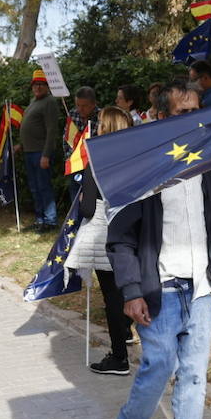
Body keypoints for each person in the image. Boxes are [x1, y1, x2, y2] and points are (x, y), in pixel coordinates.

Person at [107, 79, 211, 419]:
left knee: (194, 374)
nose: (192, 119)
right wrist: (131, 291)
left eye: (196, 111)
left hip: (202, 290)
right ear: (161, 116)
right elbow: (120, 238)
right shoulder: (146, 169)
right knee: (158, 367)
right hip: (161, 290)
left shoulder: (209, 164)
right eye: (182, 113)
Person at [66, 105, 136, 376]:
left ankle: (119, 357)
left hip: (105, 239)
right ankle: (127, 336)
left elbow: (87, 210)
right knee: (130, 289)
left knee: (112, 298)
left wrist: (84, 198)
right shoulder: (135, 159)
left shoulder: (98, 159)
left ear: (105, 128)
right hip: (132, 234)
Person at [16, 73, 60, 232]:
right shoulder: (33, 101)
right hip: (29, 151)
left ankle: (50, 221)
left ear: (47, 86)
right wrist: (21, 144)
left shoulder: (50, 102)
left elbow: (51, 130)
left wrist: (46, 155)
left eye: (41, 84)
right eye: (35, 84)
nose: (38, 87)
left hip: (41, 153)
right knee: (34, 187)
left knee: (44, 187)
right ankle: (40, 219)